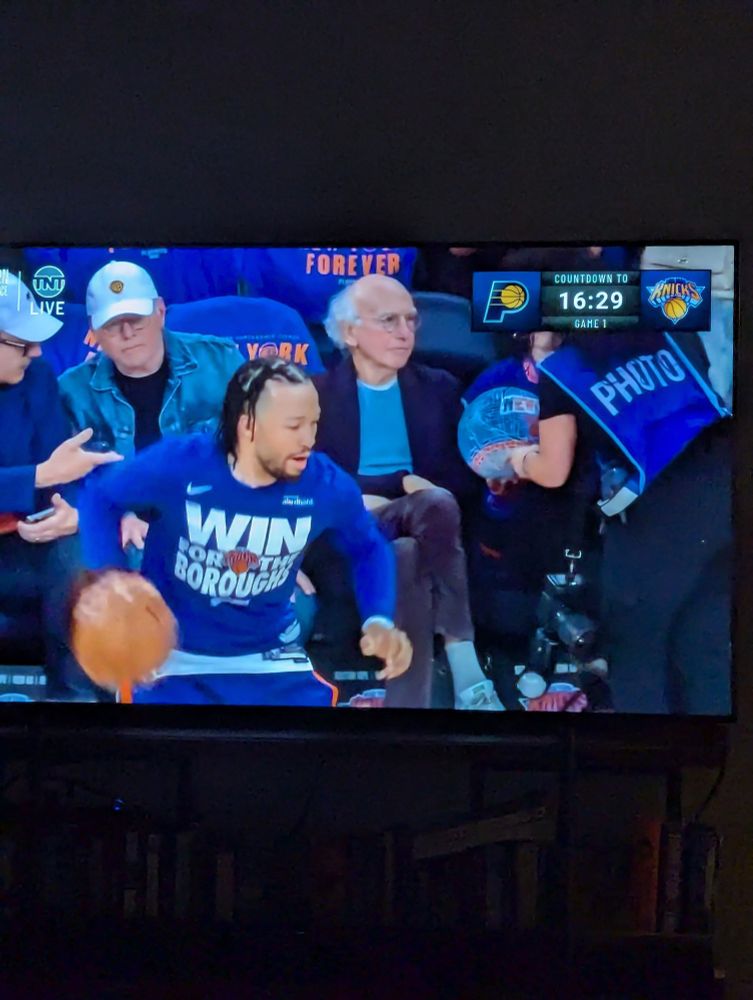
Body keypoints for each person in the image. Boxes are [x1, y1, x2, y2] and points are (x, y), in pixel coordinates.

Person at [76, 358, 412, 707]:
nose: (309, 440)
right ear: (248, 425)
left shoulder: (324, 484)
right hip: (169, 656)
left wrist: (379, 618)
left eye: (313, 424)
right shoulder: (183, 462)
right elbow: (100, 496)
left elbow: (368, 547)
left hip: (269, 656)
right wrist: (111, 579)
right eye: (293, 426)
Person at [508, 329, 732, 715]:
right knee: (703, 650)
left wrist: (517, 458)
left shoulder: (561, 369)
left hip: (658, 517)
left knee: (634, 655)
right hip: (724, 489)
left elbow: (553, 471)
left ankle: (648, 767)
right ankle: (709, 765)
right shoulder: (669, 330)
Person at [310, 273, 503, 710]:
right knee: (425, 507)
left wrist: (394, 493)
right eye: (389, 320)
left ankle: (407, 706)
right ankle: (468, 672)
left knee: (410, 548)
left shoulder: (440, 389)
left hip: (424, 526)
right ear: (349, 332)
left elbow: (461, 485)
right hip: (346, 534)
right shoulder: (313, 396)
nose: (405, 332)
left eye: (411, 321)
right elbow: (310, 483)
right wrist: (399, 484)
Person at [58, 261, 245, 554]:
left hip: (219, 521)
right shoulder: (72, 392)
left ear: (160, 312)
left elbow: (265, 447)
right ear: (95, 330)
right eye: (112, 324)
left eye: (136, 319)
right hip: (128, 532)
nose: (127, 333)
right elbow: (65, 480)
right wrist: (116, 515)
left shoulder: (221, 363)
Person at [0, 274, 122, 700]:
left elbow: (61, 466)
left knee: (81, 549)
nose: (35, 352)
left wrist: (68, 510)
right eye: (21, 343)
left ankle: (76, 706)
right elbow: (46, 472)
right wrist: (35, 477)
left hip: (21, 539)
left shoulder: (38, 378)